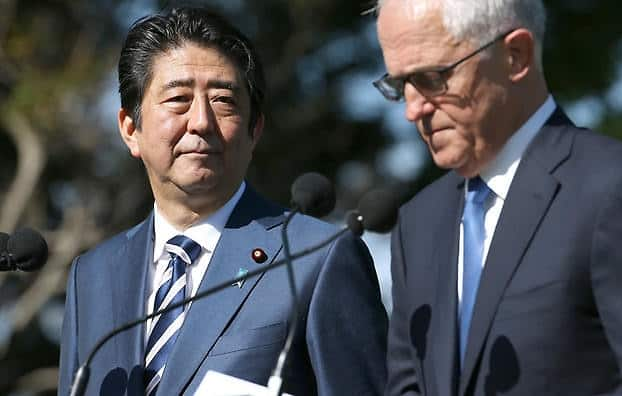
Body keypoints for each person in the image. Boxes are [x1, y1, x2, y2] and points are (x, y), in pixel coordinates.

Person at [373, 0, 622, 395]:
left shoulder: (619, 192)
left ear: (516, 56)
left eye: (432, 77)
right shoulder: (418, 223)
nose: (413, 109)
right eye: (399, 85)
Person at [58, 7, 388, 396]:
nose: (200, 121)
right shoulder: (92, 276)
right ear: (131, 129)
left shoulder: (317, 259)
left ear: (255, 130)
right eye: (178, 98)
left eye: (223, 101)